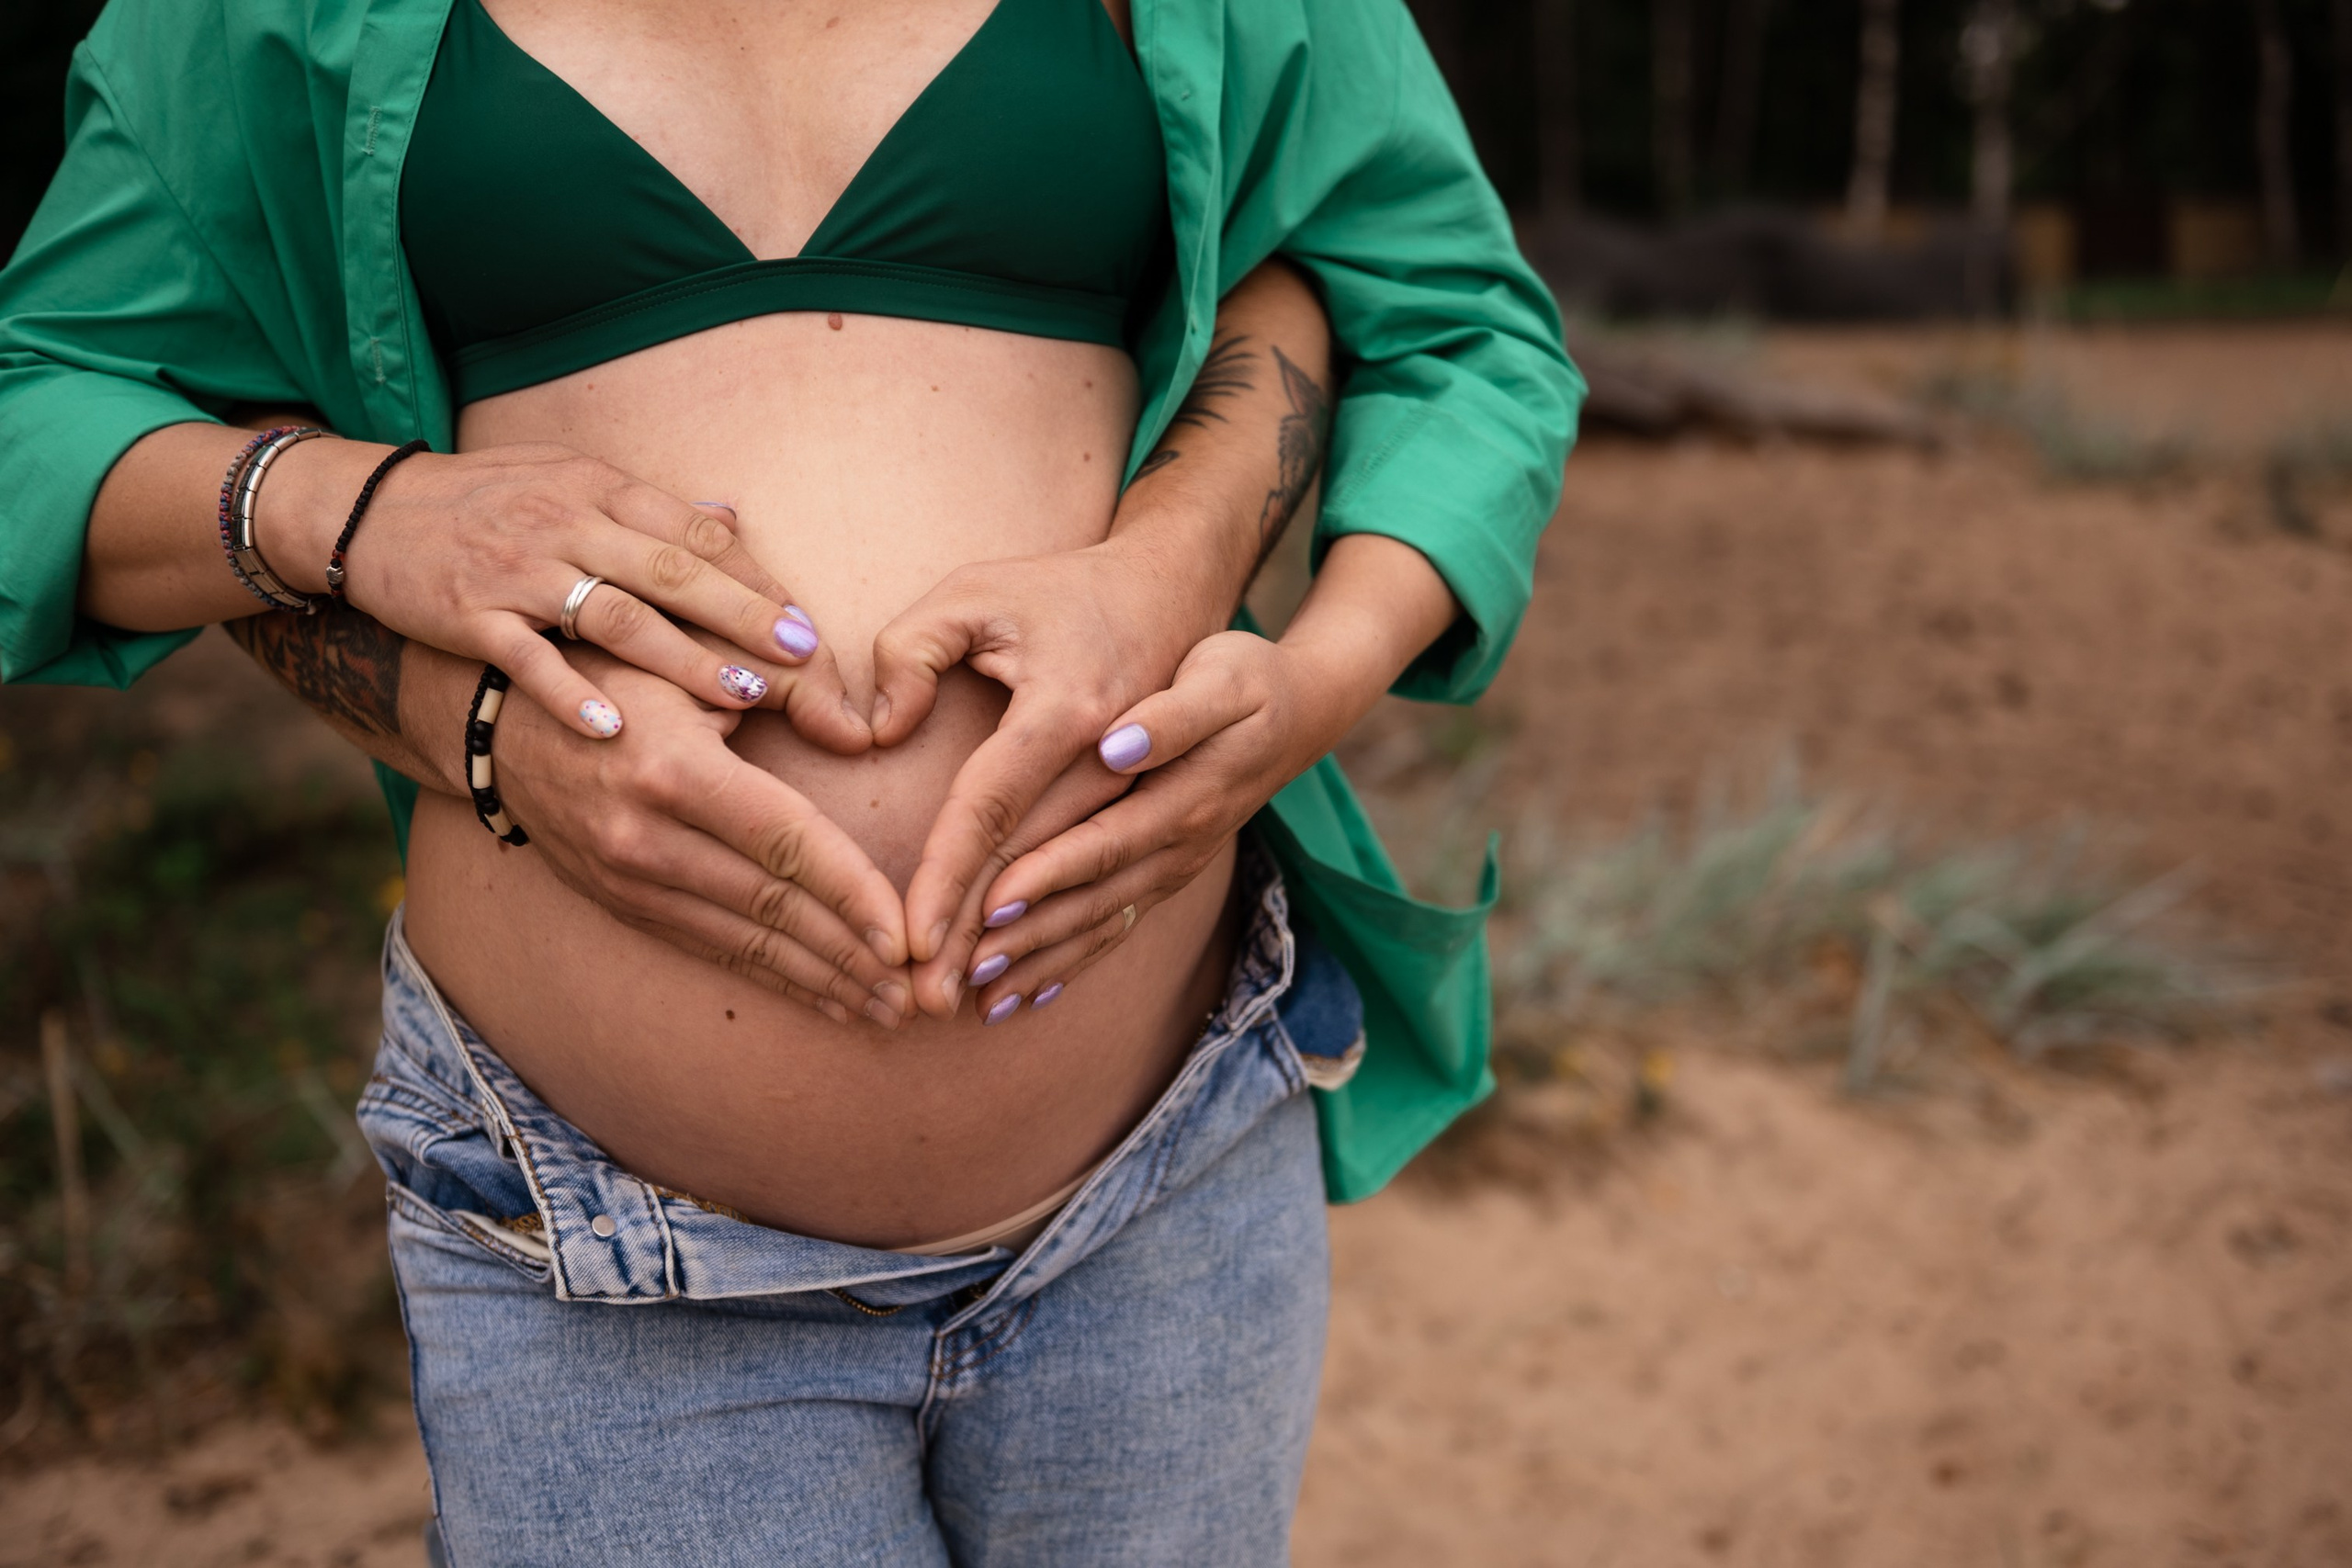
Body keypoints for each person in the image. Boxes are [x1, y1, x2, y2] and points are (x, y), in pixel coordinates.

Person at [0, 0, 1580, 1559]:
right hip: (609, 1255)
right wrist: (352, 511)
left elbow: (1441, 311)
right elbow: (44, 404)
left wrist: (1304, 679)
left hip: (1166, 1175)